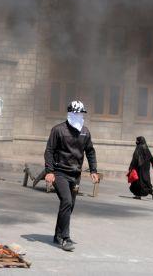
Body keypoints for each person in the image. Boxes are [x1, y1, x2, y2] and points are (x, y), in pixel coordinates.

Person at [44, 100, 98, 252]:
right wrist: (49, 171)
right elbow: (49, 151)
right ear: (70, 113)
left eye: (81, 113)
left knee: (69, 205)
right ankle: (65, 238)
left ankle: (58, 235)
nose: (79, 116)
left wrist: (93, 170)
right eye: (76, 113)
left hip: (76, 174)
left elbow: (90, 152)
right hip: (60, 172)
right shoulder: (58, 130)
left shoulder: (85, 132)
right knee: (66, 201)